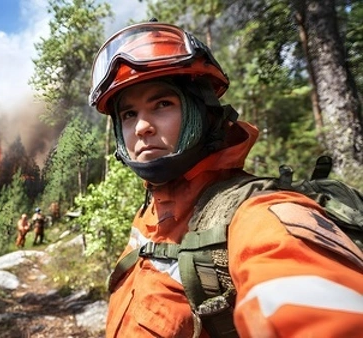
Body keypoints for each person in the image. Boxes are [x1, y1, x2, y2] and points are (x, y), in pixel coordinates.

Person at [88, 20, 363, 337]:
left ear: (203, 112)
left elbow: (310, 301)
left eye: (162, 104)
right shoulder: (151, 208)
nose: (141, 127)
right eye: (129, 114)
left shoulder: (259, 215)